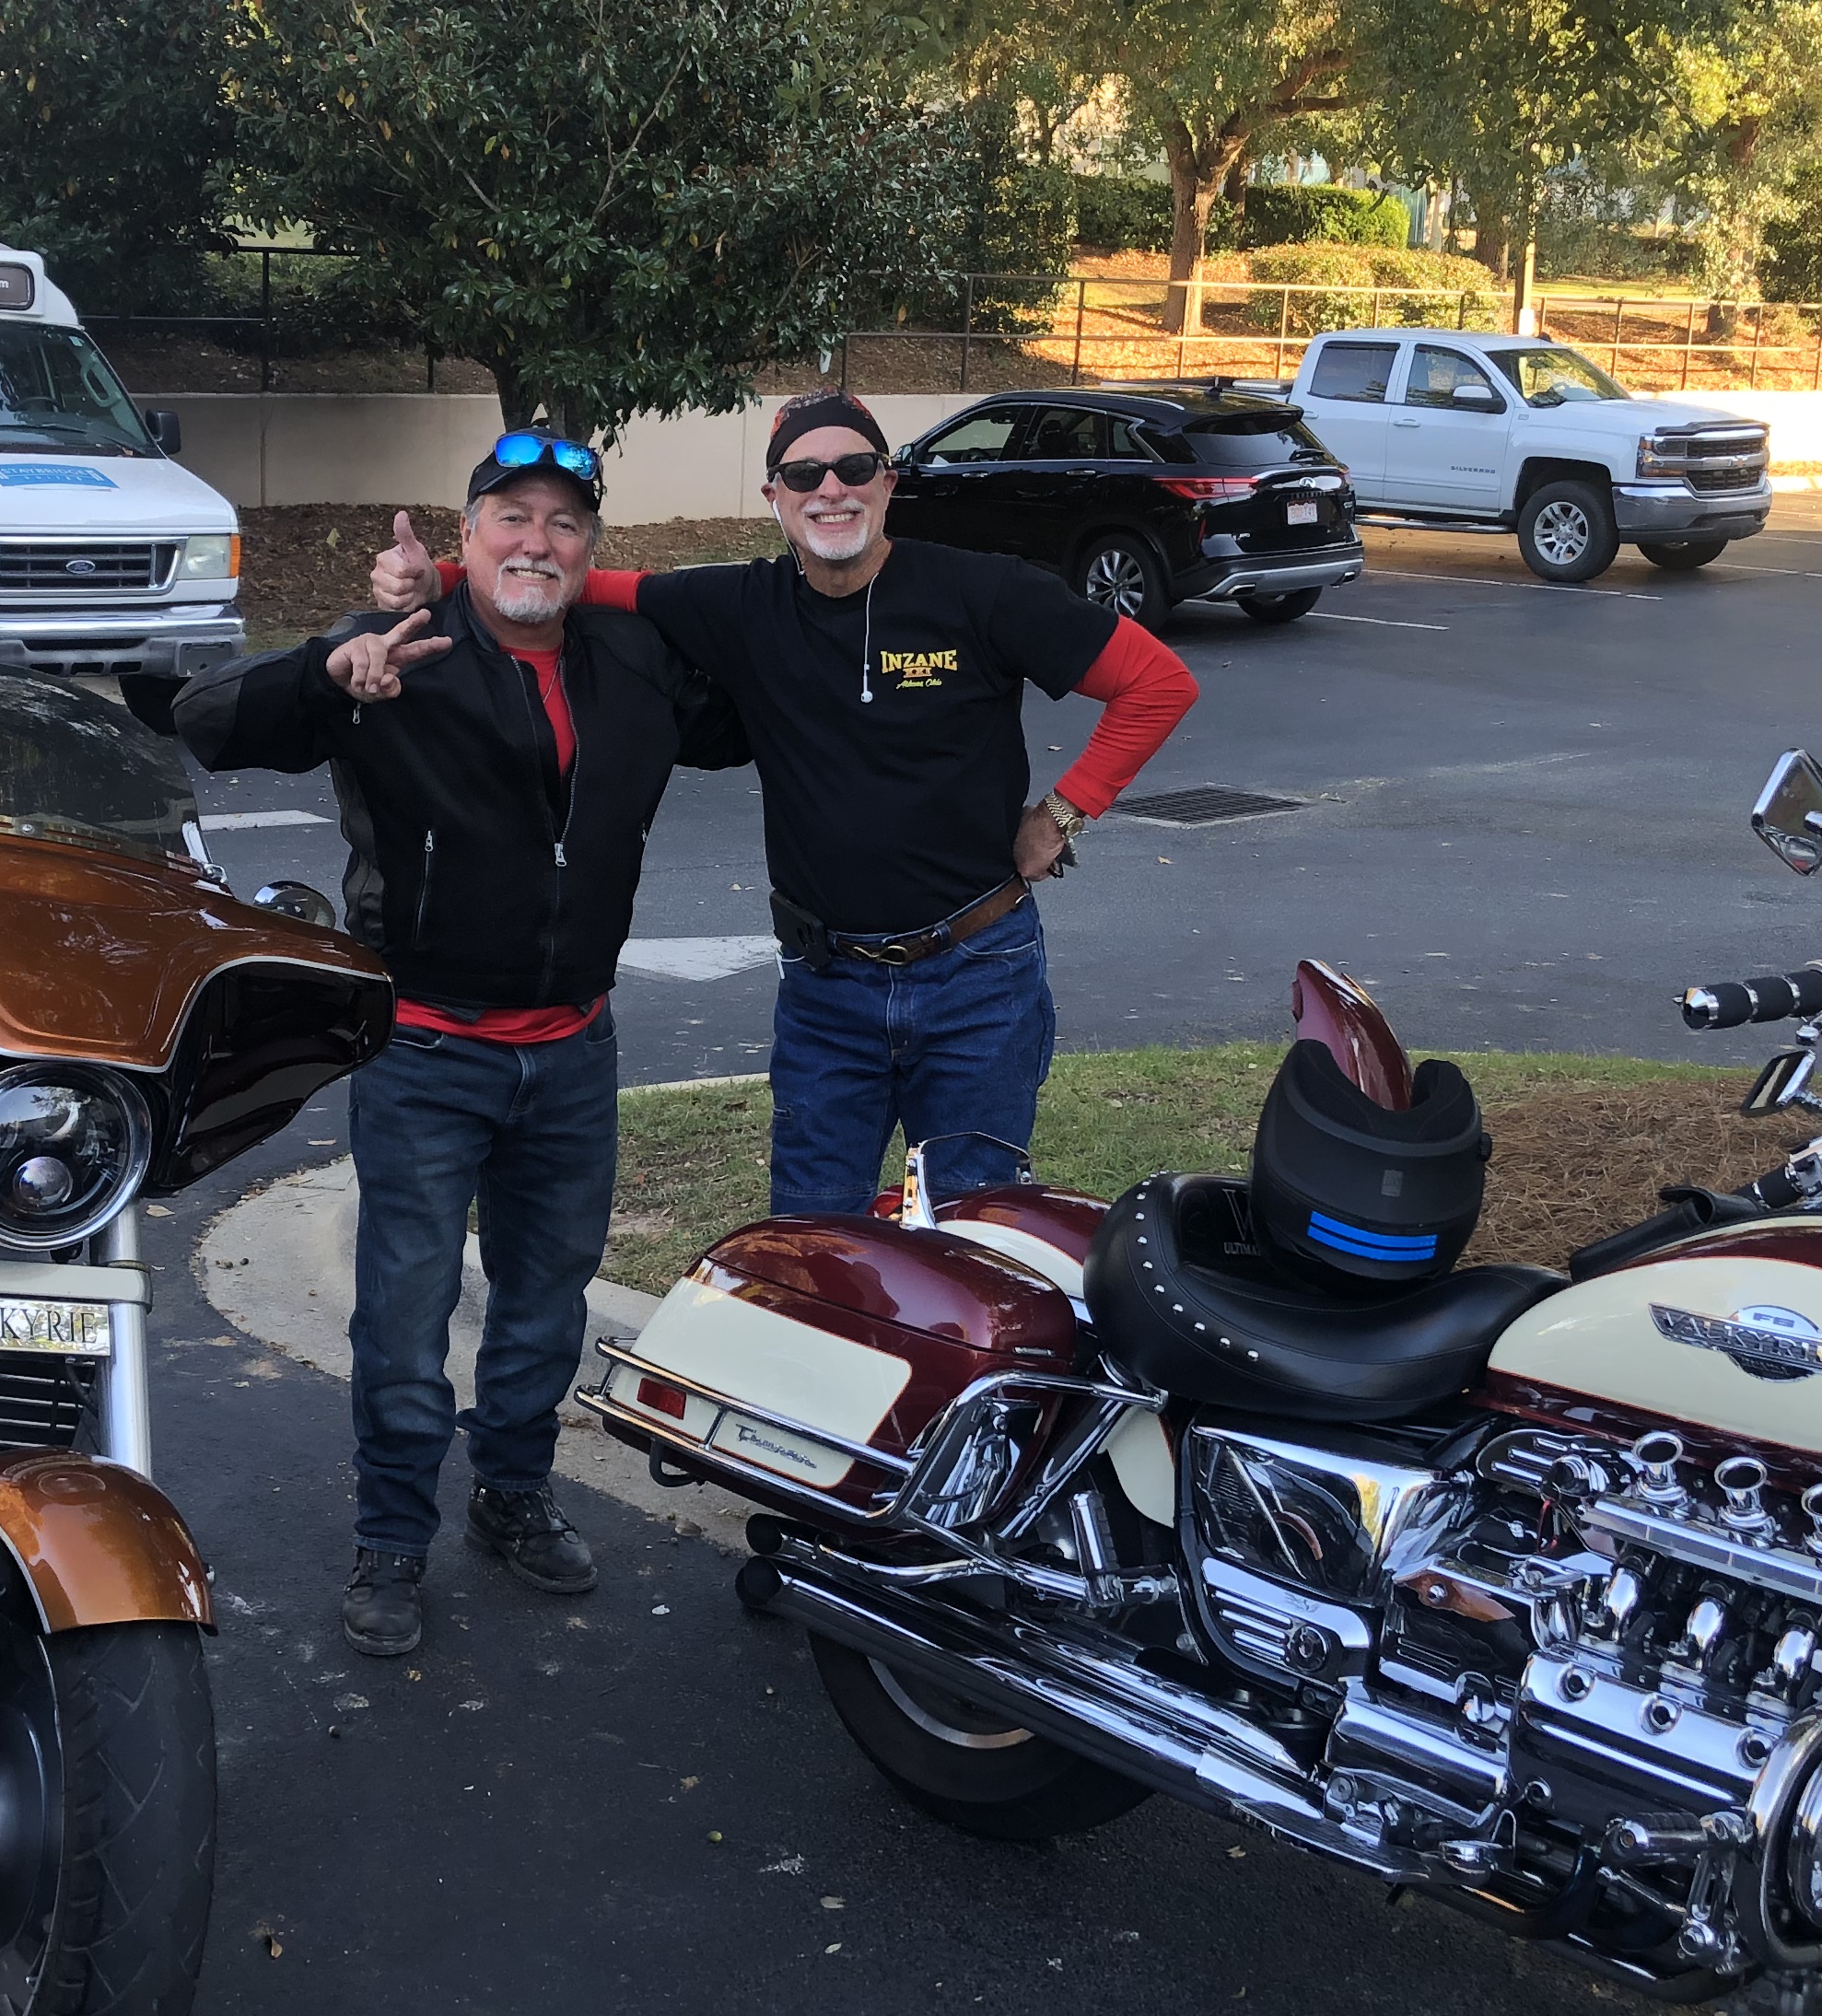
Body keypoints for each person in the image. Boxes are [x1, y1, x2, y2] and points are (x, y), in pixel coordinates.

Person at [176, 436, 746, 1657]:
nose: (536, 541)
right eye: (510, 518)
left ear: (591, 549)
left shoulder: (635, 660)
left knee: (545, 1304)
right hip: (428, 1052)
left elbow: (765, 692)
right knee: (405, 1317)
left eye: (563, 523)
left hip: (575, 1050)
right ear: (467, 535)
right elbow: (208, 718)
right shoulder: (397, 649)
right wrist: (334, 670)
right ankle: (391, 1539)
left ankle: (514, 1494)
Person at [373, 387, 1197, 1215]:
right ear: (775, 496)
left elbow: (1156, 682)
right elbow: (580, 583)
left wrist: (1062, 813)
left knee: (971, 1228)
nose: (830, 489)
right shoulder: (743, 604)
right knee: (812, 1234)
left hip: (978, 977)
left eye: (854, 468)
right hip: (826, 989)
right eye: (804, 474)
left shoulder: (983, 592)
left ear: (888, 482)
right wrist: (439, 576)